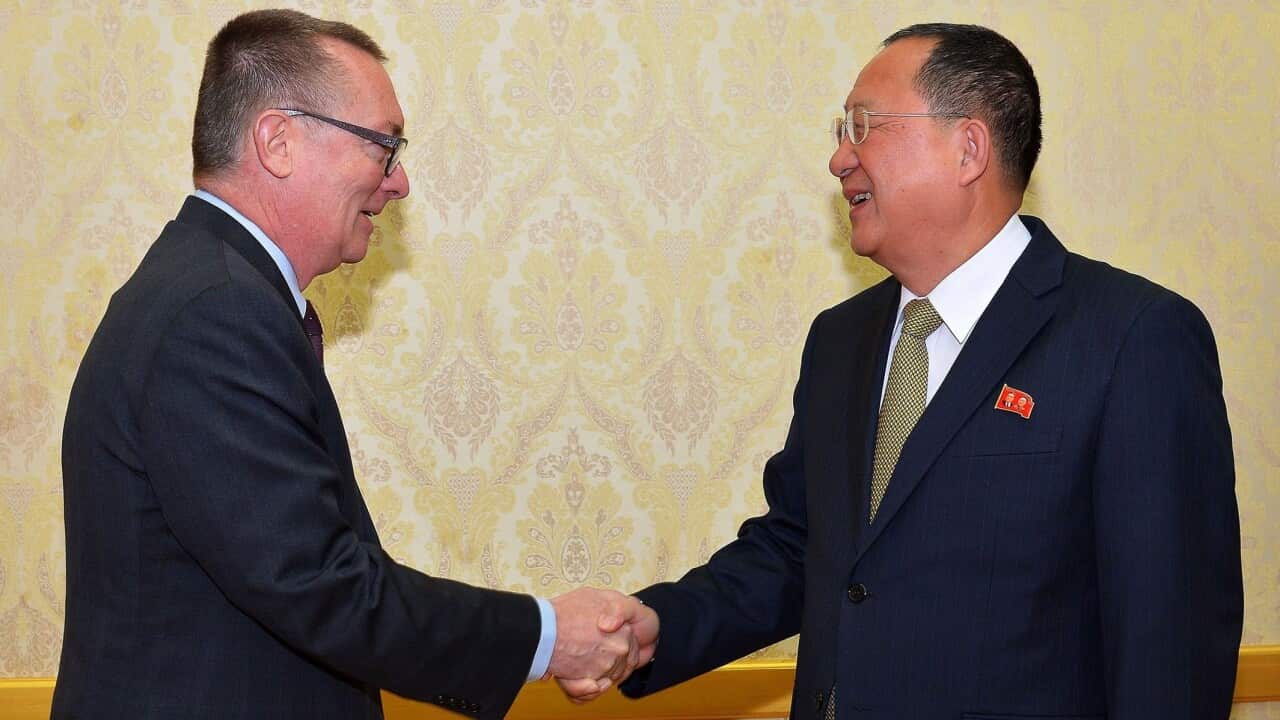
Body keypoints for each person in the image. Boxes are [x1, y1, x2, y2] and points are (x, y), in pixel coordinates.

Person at [616, 23, 1242, 720]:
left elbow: (1169, 646)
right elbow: (803, 552)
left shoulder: (1132, 339)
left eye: (863, 126)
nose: (838, 158)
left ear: (968, 147)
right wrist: (654, 630)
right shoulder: (840, 342)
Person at [54, 10, 655, 720]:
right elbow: (319, 585)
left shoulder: (210, 289)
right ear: (278, 141)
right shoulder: (213, 312)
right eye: (384, 147)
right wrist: (550, 637)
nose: (397, 185)